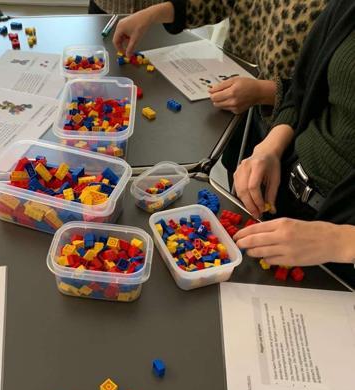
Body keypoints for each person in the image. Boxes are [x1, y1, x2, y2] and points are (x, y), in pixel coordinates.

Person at [113, 0, 326, 173]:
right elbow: (215, 3)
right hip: (236, 100)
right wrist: (153, 14)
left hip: (289, 127)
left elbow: (327, 89)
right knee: (234, 168)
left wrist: (264, 92)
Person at [232, 0, 355, 286]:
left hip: (340, 256)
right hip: (284, 195)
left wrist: (341, 241)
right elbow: (304, 86)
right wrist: (270, 148)